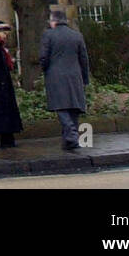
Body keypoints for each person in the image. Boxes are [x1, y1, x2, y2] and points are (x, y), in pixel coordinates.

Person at [40, 9, 90, 152]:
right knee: (73, 107)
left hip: (55, 75)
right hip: (75, 75)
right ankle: (69, 139)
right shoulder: (77, 35)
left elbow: (44, 56)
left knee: (61, 107)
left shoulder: (48, 35)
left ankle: (71, 137)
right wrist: (85, 78)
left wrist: (45, 70)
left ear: (53, 21)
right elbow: (84, 59)